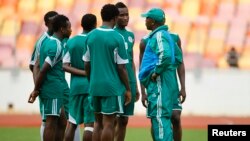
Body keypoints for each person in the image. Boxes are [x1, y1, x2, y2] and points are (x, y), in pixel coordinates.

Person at [82, 4, 131, 141]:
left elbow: (86, 63)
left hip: (95, 85)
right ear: (115, 18)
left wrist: (91, 80)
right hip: (111, 87)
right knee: (109, 123)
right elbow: (121, 68)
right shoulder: (117, 37)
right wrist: (128, 89)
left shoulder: (90, 36)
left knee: (97, 123)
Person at [139, 8, 183, 141]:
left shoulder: (158, 36)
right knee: (161, 119)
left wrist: (156, 73)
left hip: (159, 85)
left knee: (160, 119)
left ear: (152, 21)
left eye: (147, 18)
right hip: (168, 84)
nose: (145, 21)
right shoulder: (167, 36)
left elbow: (166, 55)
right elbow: (178, 58)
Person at [28, 14, 72, 141]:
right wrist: (36, 89)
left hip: (57, 88)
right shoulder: (55, 45)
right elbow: (42, 69)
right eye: (69, 28)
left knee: (62, 120)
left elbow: (39, 65)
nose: (71, 30)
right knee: (51, 122)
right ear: (62, 29)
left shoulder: (50, 42)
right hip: (52, 88)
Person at [63, 13, 97, 141]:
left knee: (72, 123)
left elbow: (64, 65)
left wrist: (81, 72)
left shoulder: (71, 42)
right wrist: (87, 73)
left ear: (82, 25)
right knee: (89, 125)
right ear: (95, 25)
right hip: (91, 86)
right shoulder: (94, 41)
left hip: (76, 87)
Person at [114, 2, 140, 141]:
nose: (125, 17)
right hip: (115, 81)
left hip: (129, 80)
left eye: (127, 14)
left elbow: (131, 61)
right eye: (121, 15)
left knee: (124, 119)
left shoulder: (130, 35)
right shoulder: (111, 34)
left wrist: (134, 84)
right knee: (112, 119)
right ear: (115, 17)